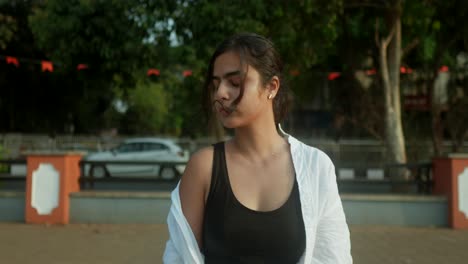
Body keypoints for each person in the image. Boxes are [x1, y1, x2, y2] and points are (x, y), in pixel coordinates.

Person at [163, 32, 352, 263]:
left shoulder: (315, 166)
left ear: (272, 87)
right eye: (215, 84)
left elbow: (332, 255)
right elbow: (180, 257)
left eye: (234, 82)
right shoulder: (204, 167)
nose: (221, 94)